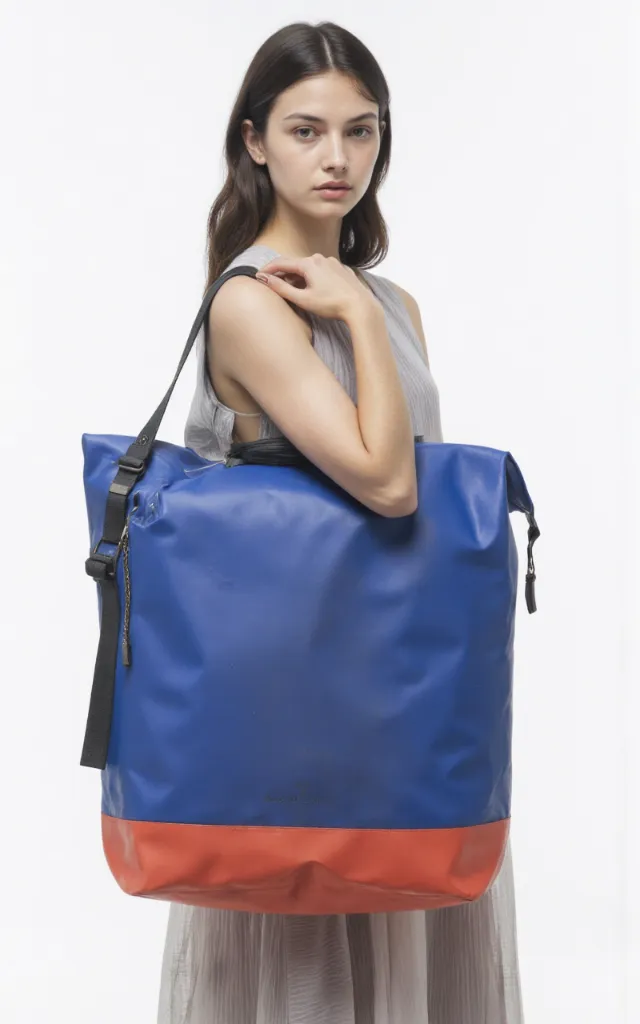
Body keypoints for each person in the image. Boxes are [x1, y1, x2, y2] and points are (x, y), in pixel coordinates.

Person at [157, 19, 524, 1024]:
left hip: (401, 691)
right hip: (297, 713)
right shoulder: (250, 300)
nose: (337, 159)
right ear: (253, 141)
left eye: (360, 132)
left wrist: (364, 303)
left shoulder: (395, 300)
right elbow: (388, 482)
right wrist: (352, 314)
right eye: (306, 130)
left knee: (414, 922)